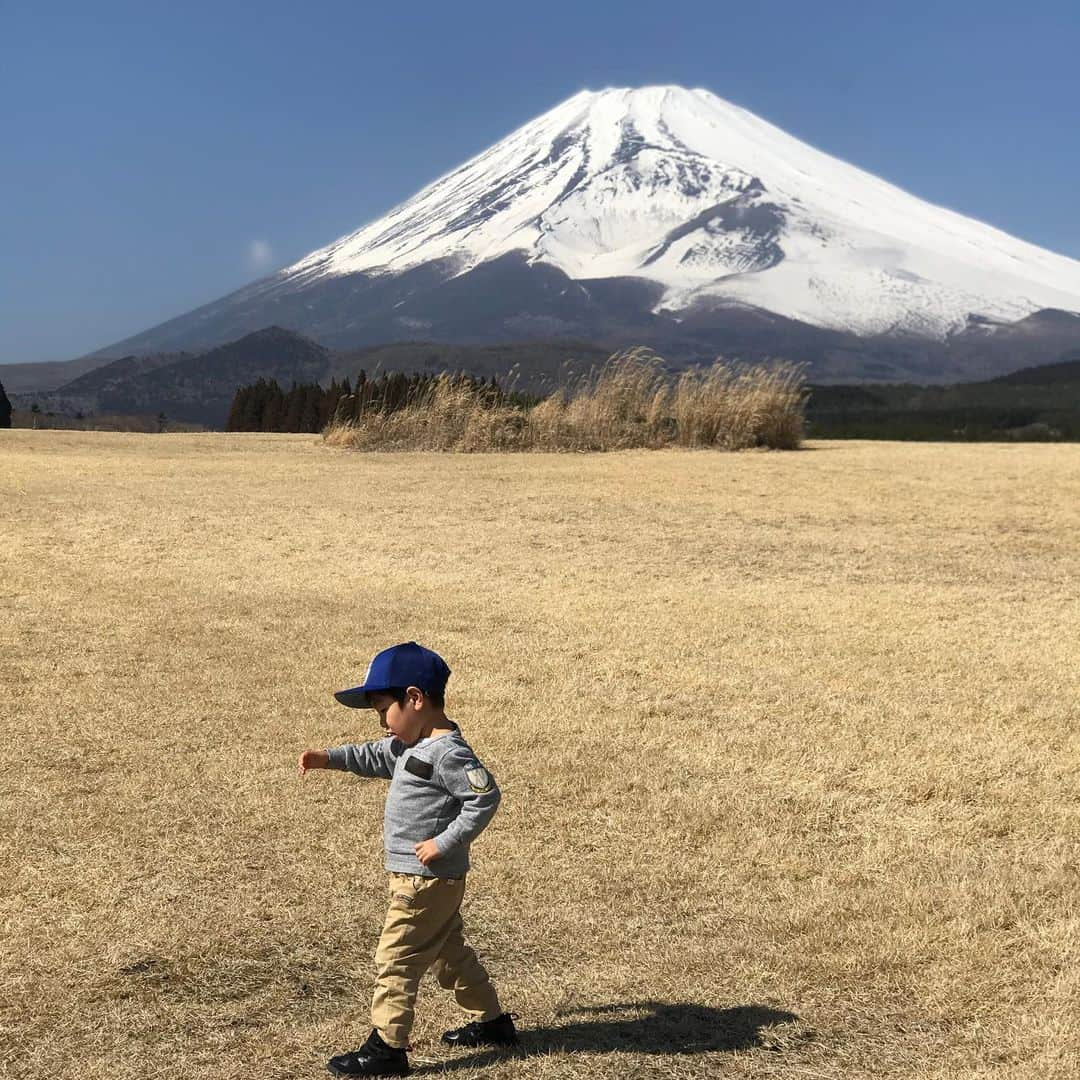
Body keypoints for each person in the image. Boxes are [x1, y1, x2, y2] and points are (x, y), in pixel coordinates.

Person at [298, 641, 517, 1077]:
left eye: (384, 710)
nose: (382, 723)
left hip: (425, 880)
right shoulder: (409, 745)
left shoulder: (448, 752)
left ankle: (387, 1047)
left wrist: (443, 842)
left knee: (395, 958)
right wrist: (329, 759)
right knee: (449, 952)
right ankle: (493, 1023)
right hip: (426, 881)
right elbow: (375, 755)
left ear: (415, 699)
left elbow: (484, 797)